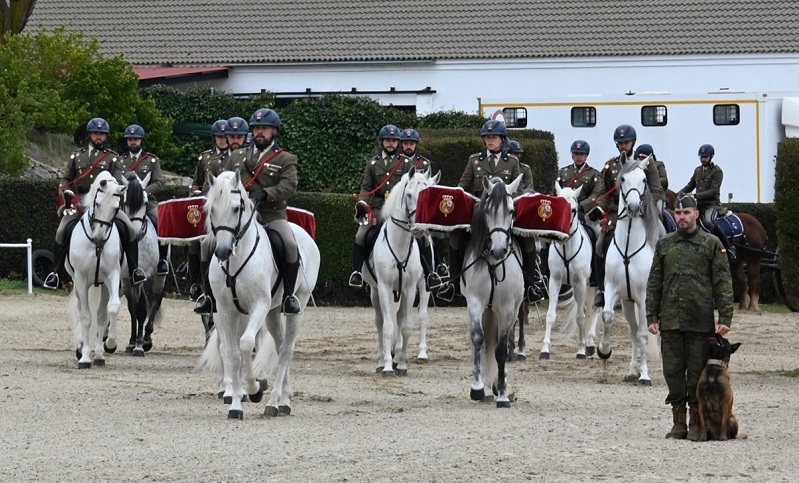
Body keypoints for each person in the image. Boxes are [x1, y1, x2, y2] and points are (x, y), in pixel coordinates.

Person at [646, 192, 734, 441]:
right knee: (673, 373)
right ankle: (678, 423)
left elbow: (723, 282)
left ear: (696, 214)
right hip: (671, 320)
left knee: (696, 374)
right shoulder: (665, 244)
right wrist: (651, 315)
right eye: (678, 213)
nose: (682, 217)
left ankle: (697, 422)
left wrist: (725, 317)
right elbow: (654, 282)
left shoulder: (711, 244)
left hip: (699, 321)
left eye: (686, 212)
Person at [437, 120, 544, 304]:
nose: (490, 140)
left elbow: (518, 192)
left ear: (502, 140)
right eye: (487, 137)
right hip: (481, 215)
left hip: (503, 214)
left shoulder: (512, 162)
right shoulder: (474, 160)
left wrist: (507, 203)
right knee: (455, 237)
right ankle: (453, 283)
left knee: (528, 241)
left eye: (494, 137)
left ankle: (529, 285)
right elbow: (463, 187)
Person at [44, 118, 147, 290]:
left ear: (106, 137)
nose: (98, 137)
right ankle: (56, 273)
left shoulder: (113, 158)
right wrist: (66, 193)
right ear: (90, 135)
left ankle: (134, 270)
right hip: (80, 204)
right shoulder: (77, 156)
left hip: (105, 205)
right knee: (61, 231)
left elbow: (117, 181)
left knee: (130, 229)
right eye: (95, 133)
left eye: (102, 134)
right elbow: (65, 179)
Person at [225, 108, 302, 314]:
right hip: (239, 214)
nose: (260, 132)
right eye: (257, 128)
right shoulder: (237, 156)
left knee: (290, 245)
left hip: (271, 213)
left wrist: (266, 193)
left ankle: (288, 296)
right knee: (212, 242)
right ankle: (208, 294)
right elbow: (226, 181)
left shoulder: (285, 158)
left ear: (274, 131)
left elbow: (289, 186)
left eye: (265, 128)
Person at [587, 124, 664, 307]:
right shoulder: (611, 165)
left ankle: (665, 284)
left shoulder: (645, 162)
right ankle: (602, 289)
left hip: (644, 214)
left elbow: (656, 189)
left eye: (626, 142)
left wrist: (651, 210)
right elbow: (605, 193)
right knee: (600, 244)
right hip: (618, 215)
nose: (623, 146)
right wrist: (600, 210)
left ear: (633, 142)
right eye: (620, 143)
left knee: (663, 237)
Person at [349, 124, 409, 287]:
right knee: (360, 235)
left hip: (398, 210)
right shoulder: (373, 163)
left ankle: (428, 272)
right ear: (382, 142)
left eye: (394, 141)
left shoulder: (405, 163)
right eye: (387, 140)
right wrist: (362, 203)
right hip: (377, 208)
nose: (391, 144)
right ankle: (357, 272)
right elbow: (366, 187)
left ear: (398, 143)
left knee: (420, 236)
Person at [399, 127, 448, 290]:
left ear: (416, 145)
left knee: (433, 234)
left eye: (411, 143)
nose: (408, 146)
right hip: (399, 208)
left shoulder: (425, 163)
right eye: (406, 143)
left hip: (420, 208)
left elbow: (429, 188)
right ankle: (362, 270)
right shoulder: (396, 162)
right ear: (401, 144)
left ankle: (435, 269)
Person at [118, 124, 169, 275]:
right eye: (130, 139)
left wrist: (142, 192)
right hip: (124, 203)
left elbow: (159, 182)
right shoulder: (119, 160)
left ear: (141, 140)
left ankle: (162, 260)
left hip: (147, 202)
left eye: (136, 139)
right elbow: (115, 181)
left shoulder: (152, 160)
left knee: (161, 222)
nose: (133, 142)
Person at [187, 119, 229, 300]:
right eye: (219, 137)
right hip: (205, 206)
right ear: (214, 138)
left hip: (225, 207)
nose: (222, 140)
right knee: (195, 240)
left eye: (225, 137)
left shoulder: (235, 157)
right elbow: (196, 182)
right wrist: (194, 193)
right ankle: (197, 282)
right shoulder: (204, 157)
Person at [678, 144, 735, 260]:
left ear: (711, 157)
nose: (703, 159)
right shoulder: (698, 170)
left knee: (709, 221)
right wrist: (678, 195)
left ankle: (727, 248)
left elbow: (714, 191)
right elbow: (690, 186)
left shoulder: (717, 171)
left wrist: (695, 195)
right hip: (698, 205)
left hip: (711, 205)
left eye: (705, 157)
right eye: (701, 157)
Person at [557, 140, 599, 222]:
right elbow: (555, 192)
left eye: (581, 154)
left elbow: (595, 194)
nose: (579, 157)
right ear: (572, 155)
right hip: (563, 209)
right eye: (576, 154)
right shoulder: (563, 171)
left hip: (583, 212)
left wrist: (581, 205)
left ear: (586, 156)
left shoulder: (594, 173)